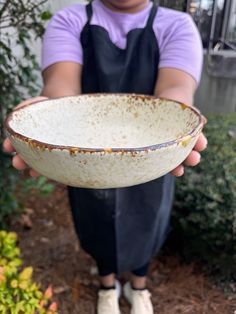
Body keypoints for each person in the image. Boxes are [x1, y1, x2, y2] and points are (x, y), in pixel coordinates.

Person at [3, 0, 208, 313]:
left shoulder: (177, 25)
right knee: (96, 223)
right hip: (84, 159)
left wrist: (178, 128)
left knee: (147, 221)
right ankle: (107, 285)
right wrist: (45, 115)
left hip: (151, 160)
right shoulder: (70, 20)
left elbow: (175, 91)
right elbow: (62, 89)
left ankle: (139, 286)